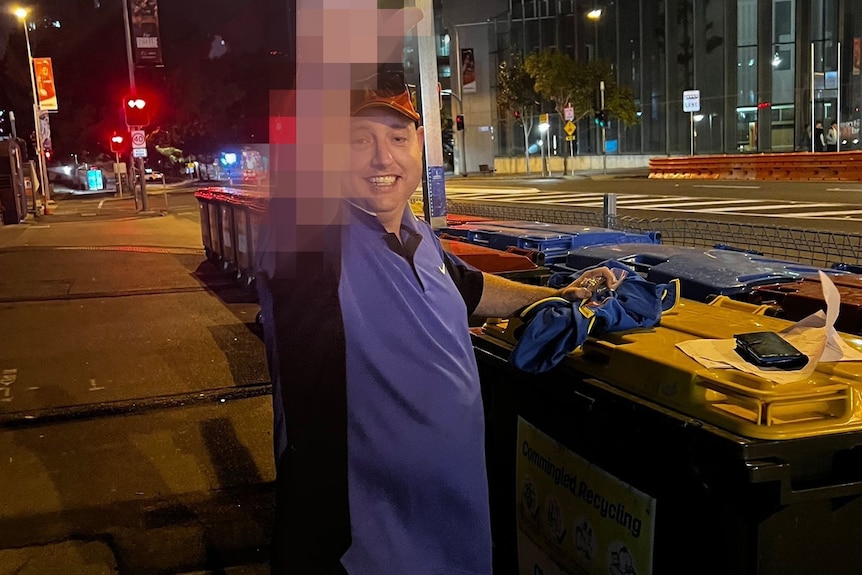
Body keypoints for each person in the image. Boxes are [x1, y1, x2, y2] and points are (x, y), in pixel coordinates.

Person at [256, 21, 619, 574]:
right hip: (361, 546)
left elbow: (467, 287)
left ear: (421, 144)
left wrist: (556, 293)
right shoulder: (308, 244)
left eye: (398, 138)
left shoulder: (419, 234)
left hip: (453, 523)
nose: (383, 158)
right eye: (358, 141)